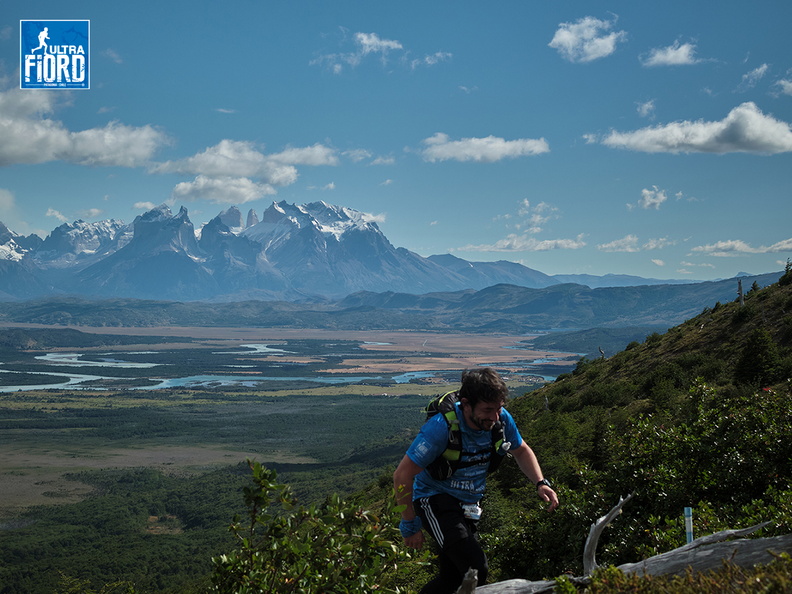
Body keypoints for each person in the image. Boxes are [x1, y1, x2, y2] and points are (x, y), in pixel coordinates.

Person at [393, 367, 559, 593]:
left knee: (452, 578)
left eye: (498, 409)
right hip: (434, 500)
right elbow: (402, 474)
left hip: (468, 505)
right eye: (488, 410)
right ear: (466, 404)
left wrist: (540, 483)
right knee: (476, 568)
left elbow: (521, 450)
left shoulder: (501, 420)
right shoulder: (441, 427)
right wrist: (409, 524)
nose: (494, 417)